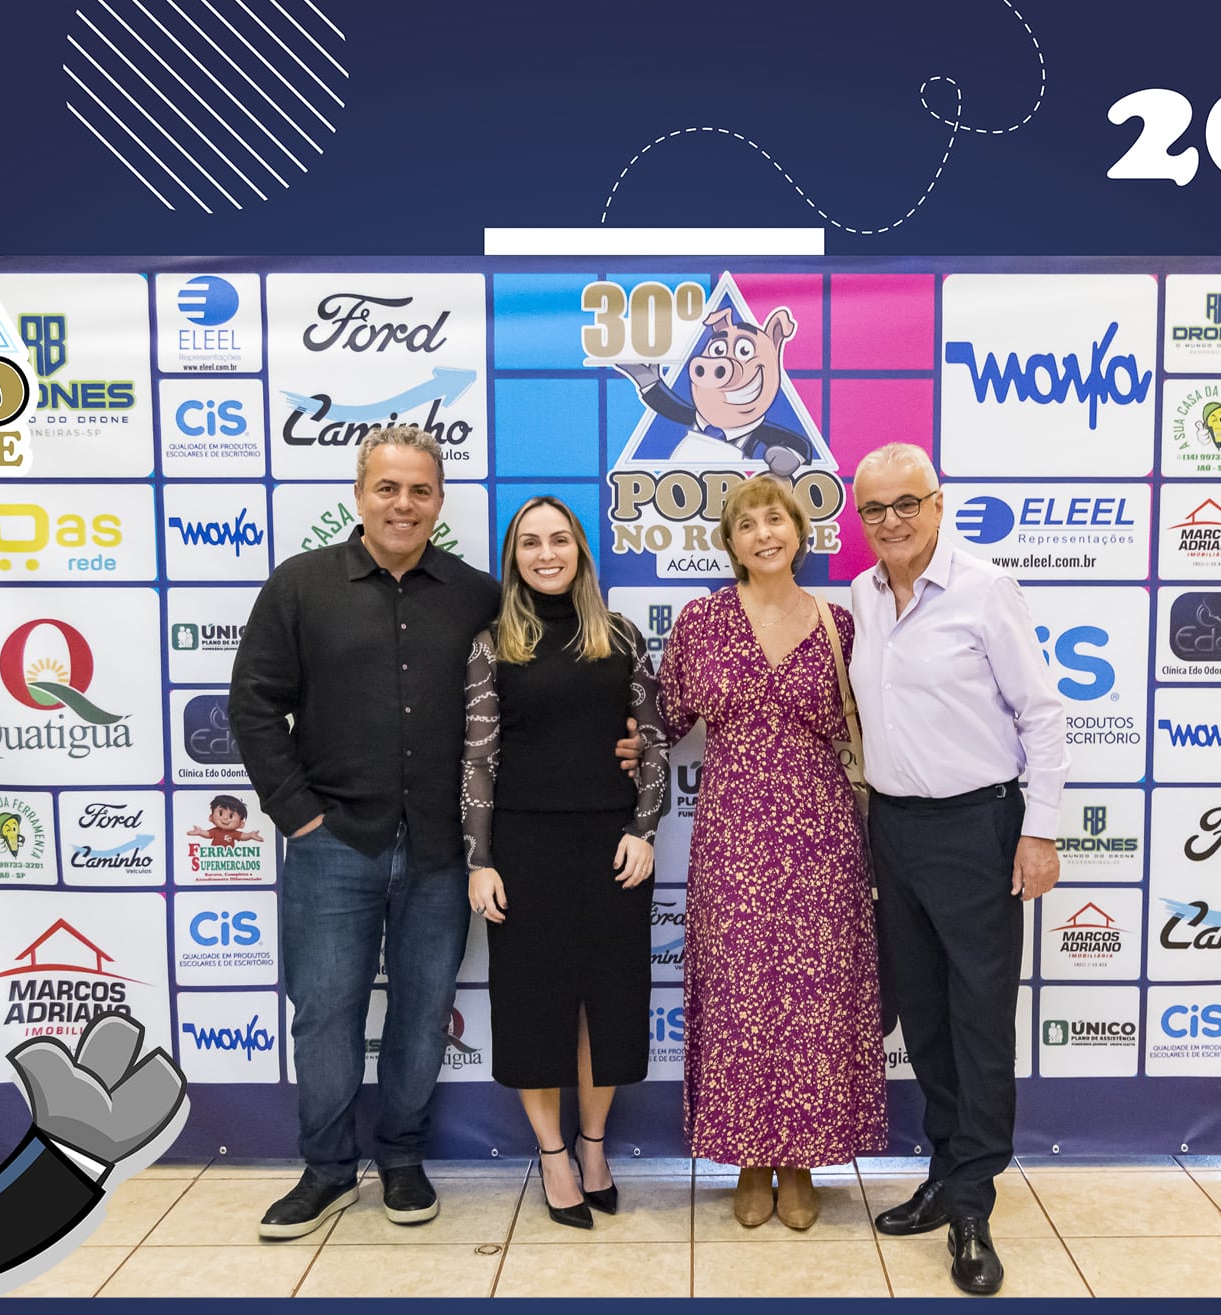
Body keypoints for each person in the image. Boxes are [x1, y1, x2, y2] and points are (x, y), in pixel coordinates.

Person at [230, 426, 641, 1240]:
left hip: (440, 850)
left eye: (420, 491)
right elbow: (252, 704)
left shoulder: (477, 596)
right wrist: (297, 812)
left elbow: (545, 688)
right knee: (325, 1013)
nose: (403, 504)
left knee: (424, 1014)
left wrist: (622, 740)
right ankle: (326, 1171)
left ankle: (403, 1160)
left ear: (440, 502)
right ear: (359, 494)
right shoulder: (300, 585)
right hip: (332, 842)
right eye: (387, 488)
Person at [845, 442, 1069, 1295]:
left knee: (978, 1021)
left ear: (939, 504)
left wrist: (1038, 832)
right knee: (926, 1017)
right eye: (875, 509)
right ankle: (944, 1173)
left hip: (978, 829)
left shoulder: (984, 589)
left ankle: (974, 1203)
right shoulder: (862, 596)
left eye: (907, 503)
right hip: (893, 829)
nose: (892, 521)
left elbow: (1042, 716)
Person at [656, 473, 886, 1229]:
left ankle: (801, 1161)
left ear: (799, 533)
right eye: (748, 523)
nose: (764, 534)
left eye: (776, 520)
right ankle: (750, 1158)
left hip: (821, 834)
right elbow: (662, 718)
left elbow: (882, 718)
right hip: (733, 834)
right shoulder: (701, 621)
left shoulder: (838, 624)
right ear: (730, 541)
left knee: (815, 996)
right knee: (739, 993)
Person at [461, 497, 669, 1226]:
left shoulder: (622, 635)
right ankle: (552, 1155)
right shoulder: (493, 644)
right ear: (513, 557)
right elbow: (478, 760)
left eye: (558, 540)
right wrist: (480, 859)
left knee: (606, 1005)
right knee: (534, 1005)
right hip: (524, 849)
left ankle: (593, 1147)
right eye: (529, 543)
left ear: (580, 550)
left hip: (613, 848)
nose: (545, 554)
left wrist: (644, 829)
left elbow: (653, 742)